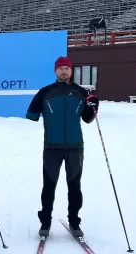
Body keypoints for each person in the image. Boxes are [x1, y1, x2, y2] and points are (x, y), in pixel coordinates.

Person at [25, 56, 99, 238]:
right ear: (55, 71)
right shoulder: (45, 92)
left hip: (75, 147)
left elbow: (88, 119)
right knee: (49, 186)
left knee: (74, 186)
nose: (64, 71)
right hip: (52, 147)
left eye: (67, 68)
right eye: (61, 69)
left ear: (71, 71)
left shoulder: (81, 92)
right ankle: (45, 222)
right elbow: (30, 114)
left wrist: (94, 105)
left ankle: (74, 222)